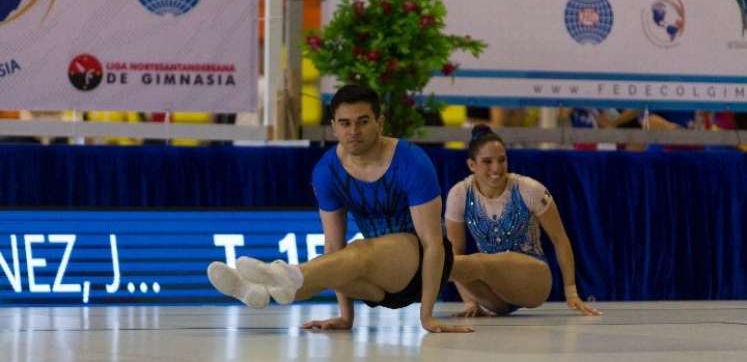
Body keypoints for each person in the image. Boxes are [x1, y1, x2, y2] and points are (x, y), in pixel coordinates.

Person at [207, 84, 472, 333]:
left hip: (420, 267)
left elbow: (432, 244)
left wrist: (427, 316)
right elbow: (333, 247)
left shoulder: (411, 161)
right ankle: (256, 290)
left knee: (358, 250)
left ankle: (280, 273)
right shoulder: (327, 170)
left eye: (363, 121)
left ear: (380, 121)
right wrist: (346, 318)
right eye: (345, 123)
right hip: (376, 279)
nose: (353, 131)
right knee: (334, 265)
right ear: (333, 127)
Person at [445, 124, 601, 317]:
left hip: (533, 280)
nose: (496, 168)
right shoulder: (459, 194)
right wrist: (470, 302)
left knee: (475, 261)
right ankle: (417, 271)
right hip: (495, 297)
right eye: (487, 161)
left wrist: (571, 292)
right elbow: (455, 253)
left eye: (502, 160)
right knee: (452, 262)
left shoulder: (529, 189)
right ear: (471, 165)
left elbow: (560, 239)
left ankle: (421, 270)